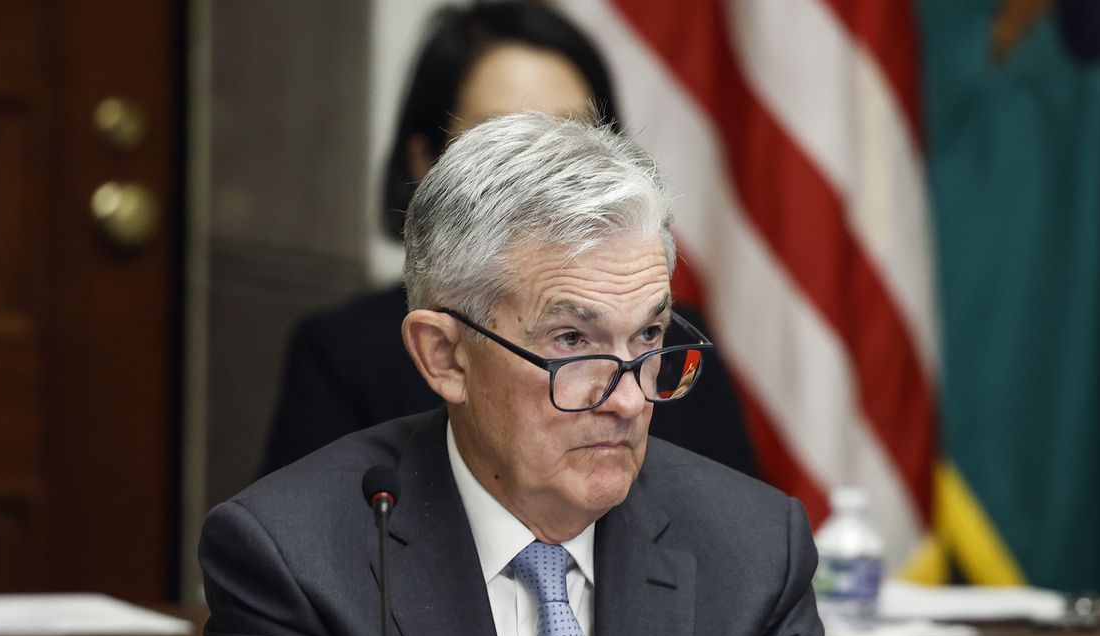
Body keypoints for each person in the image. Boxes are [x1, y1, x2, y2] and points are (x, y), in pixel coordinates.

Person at [204, 113, 852, 636]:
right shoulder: (296, 550)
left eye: (647, 339)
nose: (630, 399)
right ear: (444, 355)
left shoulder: (751, 543)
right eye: (573, 342)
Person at [260, 0, 759, 480]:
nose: (541, 175)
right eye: (499, 142)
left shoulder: (669, 346)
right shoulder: (346, 352)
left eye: (571, 136)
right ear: (424, 162)